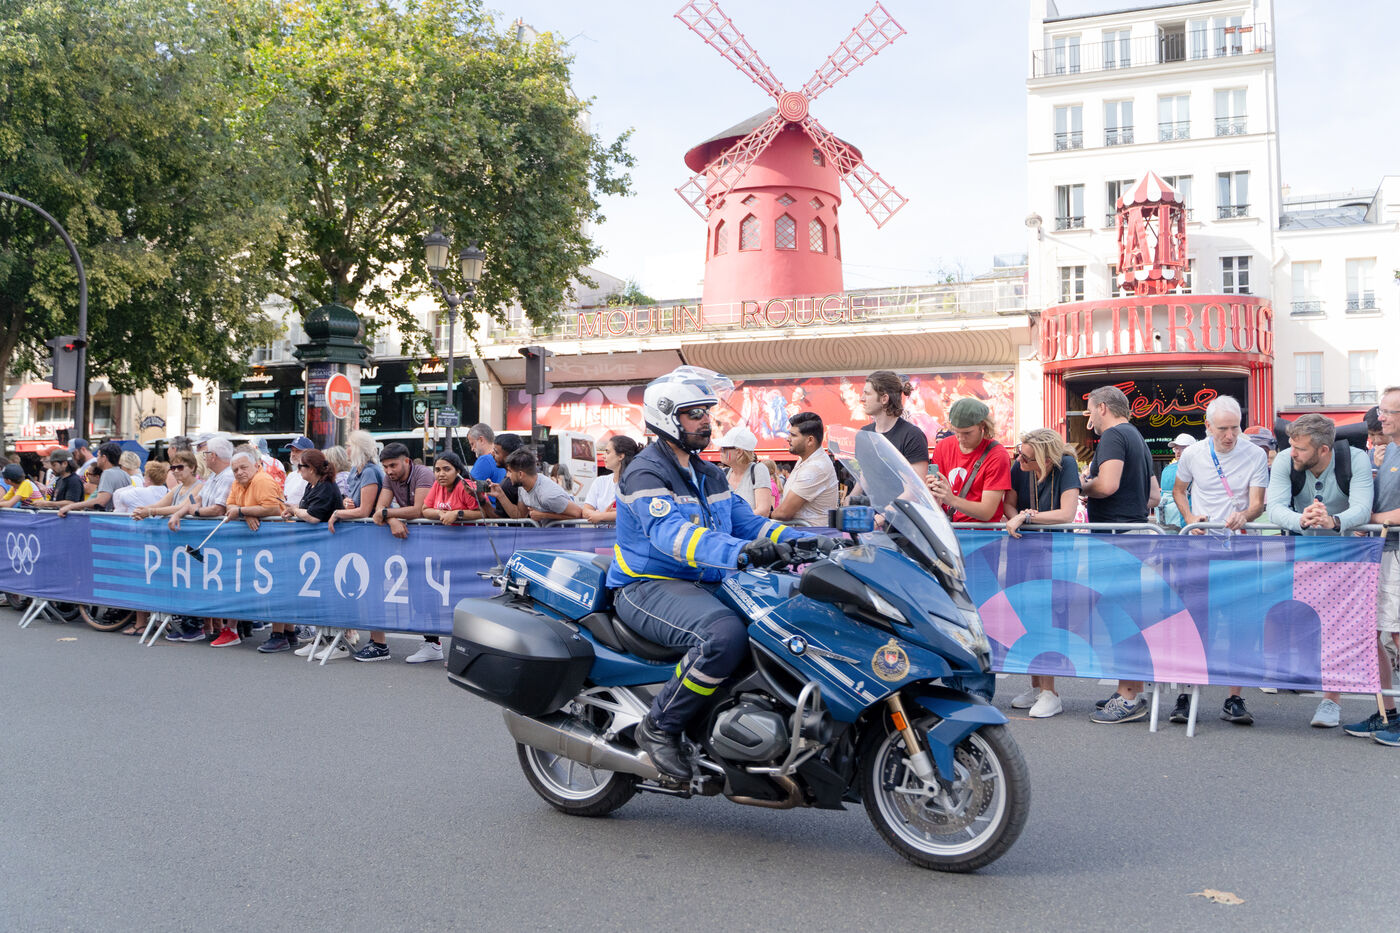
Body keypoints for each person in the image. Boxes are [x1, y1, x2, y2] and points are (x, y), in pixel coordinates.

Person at [606, 367, 803, 781]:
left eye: (706, 413)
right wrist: (741, 552)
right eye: (693, 413)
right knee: (723, 636)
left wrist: (810, 541)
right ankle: (659, 727)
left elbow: (749, 524)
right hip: (648, 585)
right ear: (666, 417)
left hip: (704, 582)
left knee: (786, 616)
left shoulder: (709, 473)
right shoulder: (646, 471)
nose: (705, 421)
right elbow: (670, 535)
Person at [1264, 413, 1374, 728]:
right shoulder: (1285, 459)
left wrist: (1334, 521)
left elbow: (1362, 507)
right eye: (1291, 445)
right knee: (1294, 620)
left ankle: (1331, 700)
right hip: (1301, 551)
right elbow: (1274, 508)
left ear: (1324, 449)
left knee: (1338, 628)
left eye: (1300, 448)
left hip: (1344, 555)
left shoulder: (1355, 459)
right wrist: (1301, 519)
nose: (1292, 452)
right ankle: (1289, 672)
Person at [1170, 396, 1269, 726]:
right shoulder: (1193, 454)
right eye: (1223, 429)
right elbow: (1179, 490)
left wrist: (1245, 515)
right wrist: (1190, 517)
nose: (1230, 436)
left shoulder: (1254, 454)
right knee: (1195, 622)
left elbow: (1257, 502)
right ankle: (1186, 695)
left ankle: (1234, 698)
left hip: (1239, 548)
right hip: (1201, 548)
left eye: (1235, 428)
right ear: (1208, 426)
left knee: (1240, 623)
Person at [1078, 385, 1155, 724]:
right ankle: (1130, 688)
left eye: (1090, 411)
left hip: (1116, 538)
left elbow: (1107, 485)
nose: (1089, 419)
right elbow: (1154, 495)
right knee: (1127, 615)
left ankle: (1128, 696)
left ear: (1103, 408)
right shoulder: (1135, 436)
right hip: (1132, 534)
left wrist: (1082, 485)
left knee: (1118, 617)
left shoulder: (1112, 436)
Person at [1004, 428, 1082, 719]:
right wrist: (1017, 516)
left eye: (1025, 457)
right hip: (1024, 549)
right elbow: (1009, 503)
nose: (1019, 460)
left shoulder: (1066, 464)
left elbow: (1066, 513)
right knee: (1027, 617)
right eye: (1019, 454)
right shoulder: (1020, 467)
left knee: (1047, 619)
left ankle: (1051, 692)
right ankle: (1038, 686)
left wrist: (1025, 517)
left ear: (1045, 458)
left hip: (1056, 552)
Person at [366, 442, 439, 664]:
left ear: (406, 461)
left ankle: (434, 643)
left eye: (393, 465)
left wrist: (388, 514)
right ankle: (430, 642)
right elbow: (379, 510)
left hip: (436, 538)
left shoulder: (423, 474)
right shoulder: (389, 478)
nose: (389, 471)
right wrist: (392, 519)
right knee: (418, 589)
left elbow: (419, 510)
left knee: (432, 590)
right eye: (385, 466)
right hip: (415, 540)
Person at [1369, 387, 1400, 747]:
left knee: (1396, 634)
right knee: (1376, 633)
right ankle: (1388, 713)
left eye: (1389, 412)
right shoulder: (1389, 448)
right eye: (1381, 411)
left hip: (1396, 551)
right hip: (1382, 550)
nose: (1381, 418)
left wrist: (1373, 518)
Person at [926, 397, 1012, 523]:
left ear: (982, 425)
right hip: (947, 527)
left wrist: (952, 500)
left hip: (980, 531)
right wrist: (932, 491)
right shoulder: (943, 446)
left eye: (967, 433)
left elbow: (987, 512)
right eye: (956, 432)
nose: (961, 438)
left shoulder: (998, 455)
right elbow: (936, 499)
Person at [770, 412, 839, 526]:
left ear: (810, 440)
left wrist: (766, 515)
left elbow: (784, 513)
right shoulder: (805, 459)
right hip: (802, 531)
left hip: (812, 533)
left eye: (793, 435)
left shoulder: (815, 467)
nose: (788, 439)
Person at [859, 370, 929, 475]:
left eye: (867, 394)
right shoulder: (864, 434)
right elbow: (863, 478)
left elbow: (917, 482)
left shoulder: (912, 436)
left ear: (884, 399)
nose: (862, 398)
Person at [494, 449, 582, 523]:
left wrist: (544, 515)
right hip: (547, 535)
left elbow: (578, 514)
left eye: (510, 471)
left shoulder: (547, 495)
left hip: (564, 536)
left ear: (520, 474)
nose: (507, 475)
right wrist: (500, 495)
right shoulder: (522, 488)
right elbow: (519, 515)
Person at [328, 430, 385, 533]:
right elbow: (350, 499)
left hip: (372, 529)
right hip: (361, 528)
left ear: (357, 449)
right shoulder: (355, 469)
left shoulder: (369, 472)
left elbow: (364, 511)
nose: (346, 450)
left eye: (348, 446)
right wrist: (346, 502)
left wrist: (337, 513)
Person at [58, 442, 128, 515]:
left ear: (104, 458)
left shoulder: (107, 473)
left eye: (98, 456)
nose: (96, 459)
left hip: (110, 518)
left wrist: (70, 506)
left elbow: (100, 501)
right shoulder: (124, 474)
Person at [717, 425, 772, 517]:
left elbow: (763, 511)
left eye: (724, 448)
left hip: (751, 526)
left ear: (739, 452)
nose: (720, 451)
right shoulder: (724, 473)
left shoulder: (758, 470)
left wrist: (734, 520)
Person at [581, 436, 639, 524]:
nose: (604, 456)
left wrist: (602, 516)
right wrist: (603, 515)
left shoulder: (636, 483)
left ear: (621, 456)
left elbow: (634, 512)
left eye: (608, 452)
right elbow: (585, 511)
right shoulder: (600, 481)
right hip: (602, 532)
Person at [131, 450, 203, 521]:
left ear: (192, 467)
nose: (176, 471)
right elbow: (158, 505)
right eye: (173, 468)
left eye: (180, 467)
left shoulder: (199, 486)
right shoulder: (178, 488)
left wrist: (151, 511)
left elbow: (181, 508)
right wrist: (140, 510)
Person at [1158, 433, 1195, 527]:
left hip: (1165, 520)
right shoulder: (1195, 468)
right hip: (1186, 521)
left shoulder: (1167, 469)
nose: (1178, 451)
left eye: (1183, 448)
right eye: (1176, 448)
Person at [280, 436, 315, 506]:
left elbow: (312, 503)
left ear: (308, 453)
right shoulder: (291, 475)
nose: (293, 454)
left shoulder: (311, 475)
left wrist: (295, 508)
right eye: (292, 450)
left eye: (297, 451)